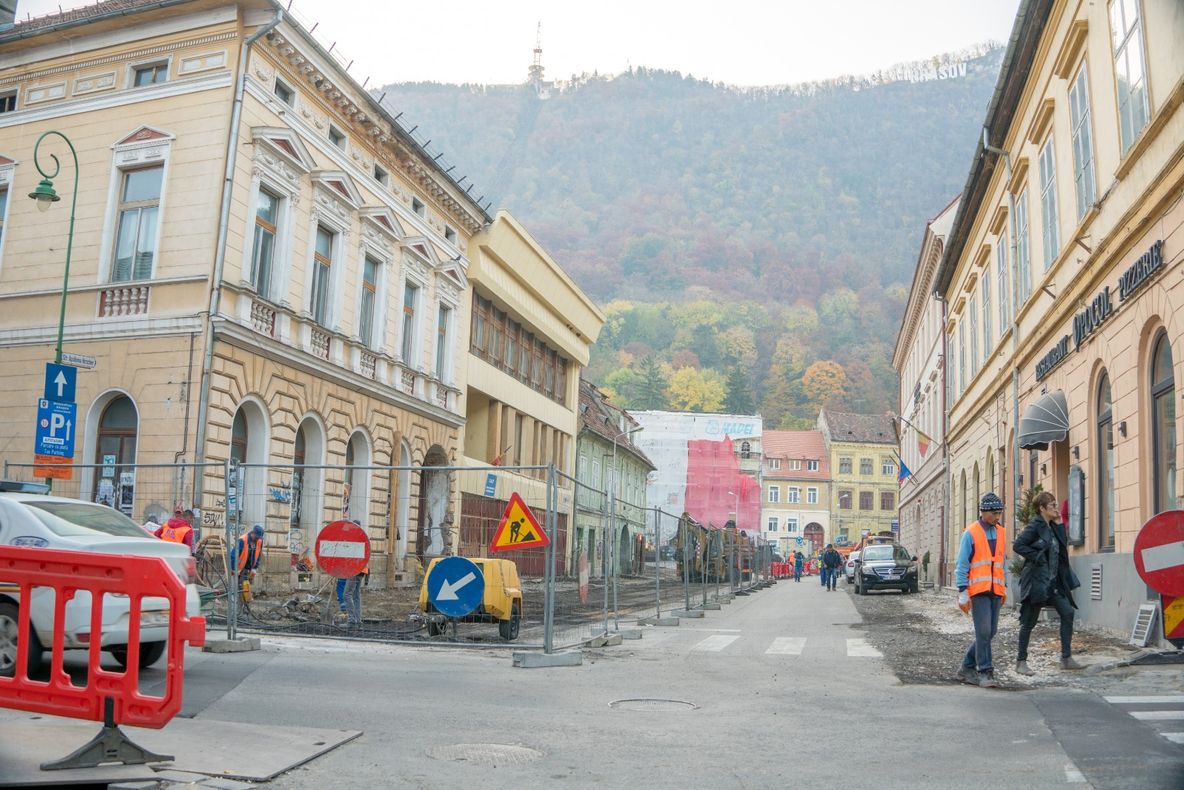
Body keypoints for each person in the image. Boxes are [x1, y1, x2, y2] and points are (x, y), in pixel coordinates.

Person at [1014, 491, 1083, 674]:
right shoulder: (1035, 526)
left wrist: (1060, 525)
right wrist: (1037, 557)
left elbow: (1061, 549)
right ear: (1042, 508)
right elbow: (1018, 545)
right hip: (1038, 582)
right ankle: (1021, 662)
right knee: (1029, 622)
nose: (1056, 508)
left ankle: (1066, 658)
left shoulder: (1052, 526)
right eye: (1052, 505)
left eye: (1055, 504)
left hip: (1053, 583)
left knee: (1067, 613)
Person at [956, 492, 1008, 688]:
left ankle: (966, 667)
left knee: (990, 632)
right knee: (984, 631)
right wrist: (962, 592)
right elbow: (962, 565)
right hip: (978, 591)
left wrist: (1004, 587)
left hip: (995, 590)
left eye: (999, 513)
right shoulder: (970, 533)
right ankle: (985, 671)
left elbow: (1001, 562)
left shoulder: (1001, 532)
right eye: (994, 513)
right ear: (984, 512)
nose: (997, 517)